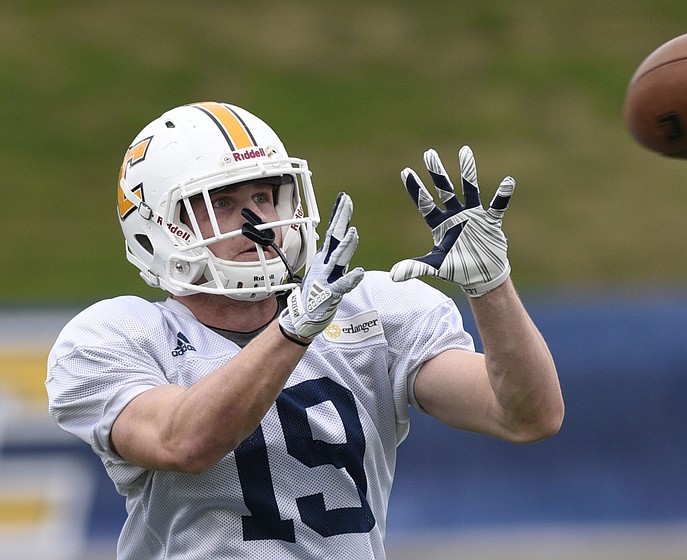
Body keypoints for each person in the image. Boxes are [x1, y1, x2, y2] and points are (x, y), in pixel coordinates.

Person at [46, 101, 563, 559]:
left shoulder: (368, 310)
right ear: (157, 225)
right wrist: (293, 330)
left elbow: (525, 416)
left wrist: (492, 289)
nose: (256, 219)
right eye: (221, 203)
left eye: (265, 196)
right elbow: (183, 442)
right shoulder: (115, 338)